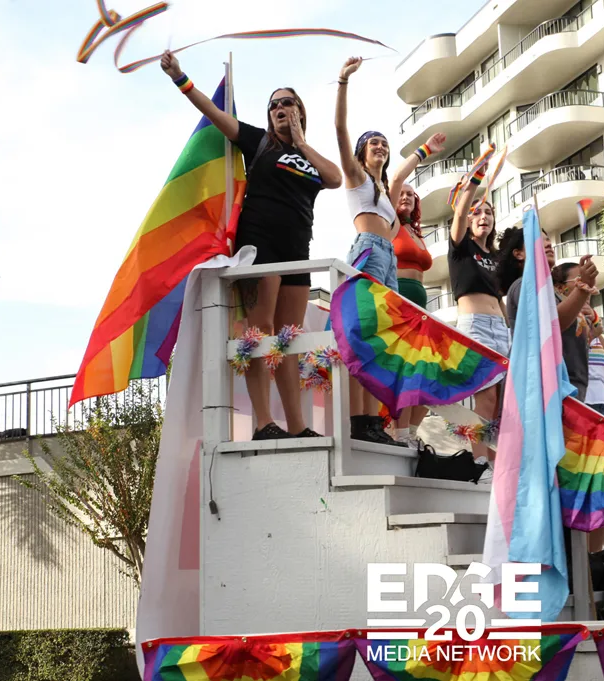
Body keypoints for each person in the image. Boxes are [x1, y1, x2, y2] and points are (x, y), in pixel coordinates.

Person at [160, 51, 342, 441]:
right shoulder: (259, 141)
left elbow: (335, 178)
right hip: (260, 245)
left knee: (290, 337)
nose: (279, 108)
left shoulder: (307, 155)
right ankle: (263, 423)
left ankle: (297, 425)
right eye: (273, 105)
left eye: (287, 102)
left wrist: (301, 142)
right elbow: (213, 113)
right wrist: (180, 78)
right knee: (261, 331)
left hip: (297, 251)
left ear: (300, 111)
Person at [335, 56, 445, 444]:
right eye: (374, 143)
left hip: (389, 260)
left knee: (384, 341)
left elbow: (398, 177)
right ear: (362, 153)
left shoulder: (384, 193)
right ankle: (360, 420)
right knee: (364, 336)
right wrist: (343, 82)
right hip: (368, 250)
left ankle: (374, 420)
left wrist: (424, 152)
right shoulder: (356, 178)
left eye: (384, 143)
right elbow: (340, 130)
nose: (380, 146)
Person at [448, 162, 508, 468]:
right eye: (477, 212)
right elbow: (459, 214)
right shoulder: (461, 248)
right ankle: (479, 461)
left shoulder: (496, 257)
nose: (483, 216)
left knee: (499, 402)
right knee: (485, 398)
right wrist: (475, 180)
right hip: (475, 327)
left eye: (488, 212)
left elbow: (501, 297)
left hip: (501, 329)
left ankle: (495, 463)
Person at [499, 229, 599, 401]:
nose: (547, 243)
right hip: (540, 392)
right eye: (538, 239)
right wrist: (583, 288)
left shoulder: (556, 295)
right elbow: (550, 324)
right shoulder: (523, 285)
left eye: (547, 239)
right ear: (519, 254)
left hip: (569, 390)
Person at [391, 184, 432, 446]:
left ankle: (411, 431)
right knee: (406, 367)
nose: (405, 197)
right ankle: (401, 433)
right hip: (399, 298)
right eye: (401, 193)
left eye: (410, 194)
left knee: (428, 370)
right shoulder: (389, 222)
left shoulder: (415, 232)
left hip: (421, 306)